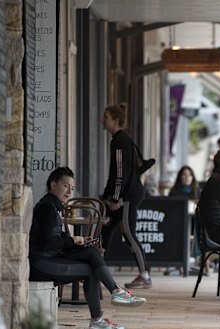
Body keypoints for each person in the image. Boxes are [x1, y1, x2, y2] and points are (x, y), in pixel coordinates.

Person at [29, 167, 146, 329]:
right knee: (91, 265)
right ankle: (109, 301)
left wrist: (78, 240)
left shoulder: (51, 205)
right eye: (65, 186)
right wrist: (72, 241)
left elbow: (55, 237)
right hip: (41, 263)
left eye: (72, 188)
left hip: (49, 258)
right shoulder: (47, 208)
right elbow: (48, 243)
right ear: (53, 185)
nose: (69, 191)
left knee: (90, 254)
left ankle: (105, 308)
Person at [100, 103, 151, 289]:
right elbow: (115, 173)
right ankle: (96, 268)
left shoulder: (120, 141)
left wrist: (114, 198)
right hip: (124, 194)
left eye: (106, 118)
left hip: (128, 196)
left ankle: (145, 274)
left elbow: (120, 173)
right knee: (106, 229)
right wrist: (108, 195)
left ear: (116, 120)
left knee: (128, 232)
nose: (102, 121)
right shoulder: (119, 140)